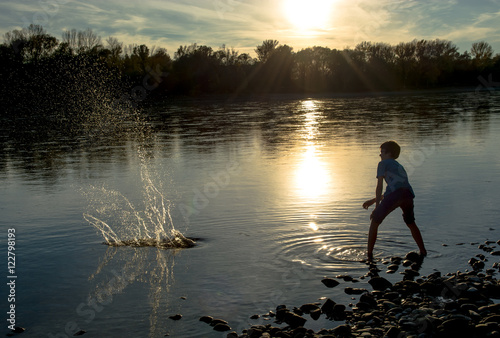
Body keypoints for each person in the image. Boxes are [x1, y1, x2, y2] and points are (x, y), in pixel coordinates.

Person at [362, 141, 427, 261]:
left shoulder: (382, 164)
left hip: (396, 196)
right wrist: (373, 201)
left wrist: (376, 208)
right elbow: (395, 189)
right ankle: (423, 251)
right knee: (411, 223)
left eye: (382, 152)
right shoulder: (398, 166)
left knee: (374, 221)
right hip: (408, 195)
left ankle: (369, 255)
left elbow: (380, 186)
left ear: (389, 153)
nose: (380, 155)